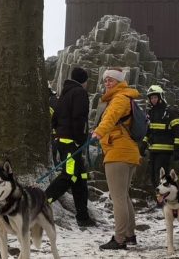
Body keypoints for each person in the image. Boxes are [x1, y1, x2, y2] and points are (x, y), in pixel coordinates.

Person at [91, 68, 140, 251]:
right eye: (105, 80)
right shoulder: (124, 96)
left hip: (118, 152)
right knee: (124, 196)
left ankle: (119, 239)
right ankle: (130, 234)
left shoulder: (120, 97)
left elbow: (111, 117)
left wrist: (98, 132)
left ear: (119, 81)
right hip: (127, 151)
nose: (107, 83)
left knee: (118, 197)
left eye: (111, 80)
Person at [45, 66, 96, 227]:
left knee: (80, 178)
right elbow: (79, 118)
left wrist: (59, 133)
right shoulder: (79, 93)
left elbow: (55, 118)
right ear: (83, 80)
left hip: (63, 141)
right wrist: (79, 140)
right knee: (68, 176)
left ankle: (82, 216)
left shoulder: (64, 93)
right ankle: (41, 203)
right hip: (71, 144)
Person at [142, 84, 179, 187]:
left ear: (161, 97)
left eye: (155, 97)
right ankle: (159, 201)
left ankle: (163, 201)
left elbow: (178, 132)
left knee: (161, 178)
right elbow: (149, 131)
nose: (153, 100)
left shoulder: (170, 112)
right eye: (151, 98)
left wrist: (177, 150)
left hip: (166, 152)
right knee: (152, 177)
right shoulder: (151, 113)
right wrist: (143, 145)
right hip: (153, 151)